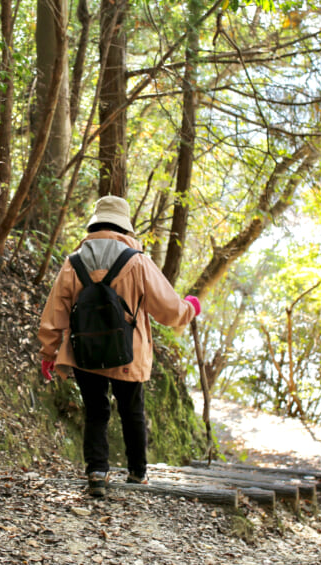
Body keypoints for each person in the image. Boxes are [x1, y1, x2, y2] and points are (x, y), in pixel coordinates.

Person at [37, 195, 201, 498]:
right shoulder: (137, 262)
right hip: (129, 351)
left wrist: (49, 352)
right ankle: (137, 474)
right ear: (124, 228)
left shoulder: (73, 263)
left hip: (85, 353)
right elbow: (168, 310)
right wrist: (190, 308)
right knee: (132, 411)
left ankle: (97, 472)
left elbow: (54, 313)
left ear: (95, 225)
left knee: (96, 410)